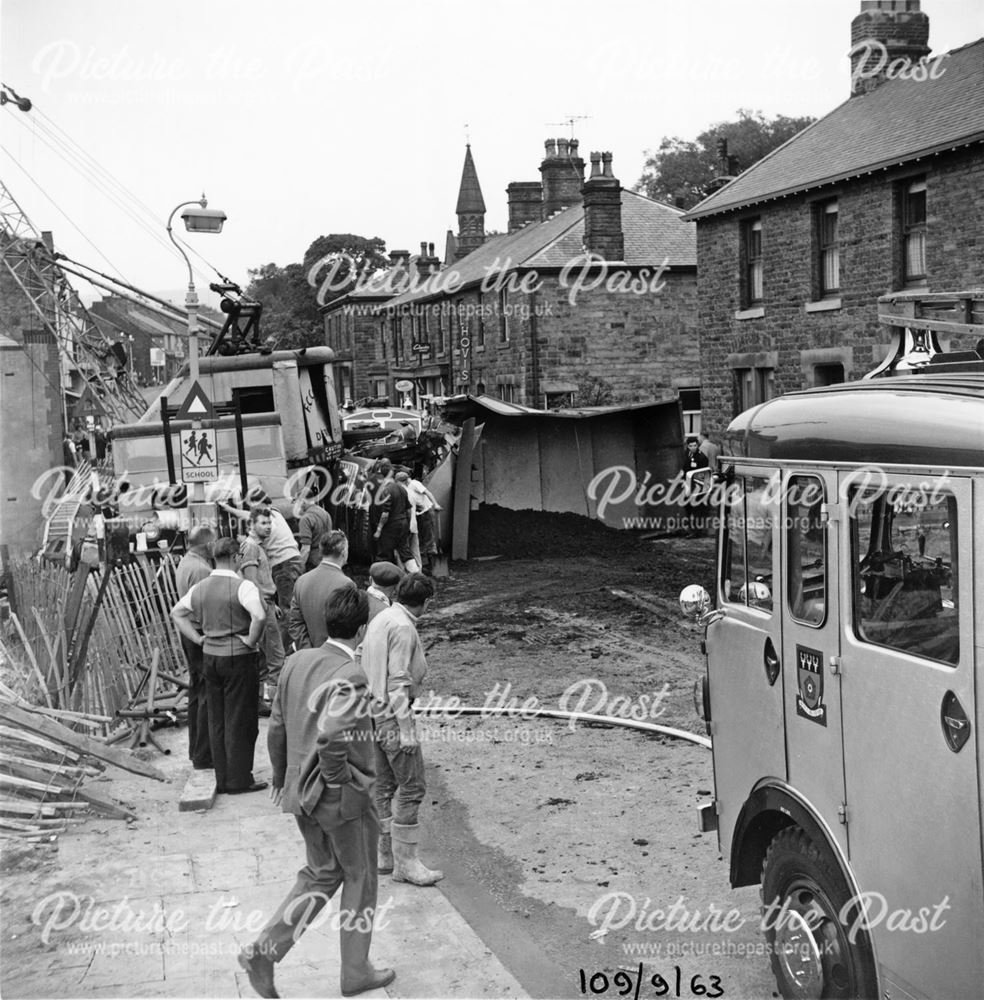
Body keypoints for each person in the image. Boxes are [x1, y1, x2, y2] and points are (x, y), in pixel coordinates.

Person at [239, 588, 395, 1000]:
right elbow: (330, 737)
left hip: (300, 794)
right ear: (361, 630)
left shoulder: (294, 662)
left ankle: (265, 950)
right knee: (360, 879)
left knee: (322, 874)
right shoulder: (352, 674)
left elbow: (276, 726)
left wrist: (280, 776)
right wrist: (343, 783)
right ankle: (356, 972)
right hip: (339, 799)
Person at [362, 572, 441, 885]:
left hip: (371, 710)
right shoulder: (404, 627)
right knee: (411, 786)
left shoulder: (381, 617)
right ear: (424, 603)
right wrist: (406, 730)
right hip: (393, 715)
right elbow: (398, 682)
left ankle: (385, 855)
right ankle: (406, 864)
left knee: (383, 785)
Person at [171, 537, 267, 794]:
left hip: (210, 657)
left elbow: (177, 613)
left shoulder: (201, 587)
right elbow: (259, 615)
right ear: (236, 557)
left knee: (217, 717)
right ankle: (239, 779)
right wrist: (251, 639)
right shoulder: (243, 587)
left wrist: (198, 638)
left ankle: (222, 776)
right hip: (238, 658)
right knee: (240, 718)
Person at [174, 525, 215, 770]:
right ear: (207, 545)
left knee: (196, 689)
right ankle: (203, 754)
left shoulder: (186, 562)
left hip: (188, 631)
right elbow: (207, 606)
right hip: (199, 633)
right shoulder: (201, 570)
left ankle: (195, 750)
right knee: (206, 693)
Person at [238, 506, 286, 706]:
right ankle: (278, 706)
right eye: (263, 523)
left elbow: (261, 581)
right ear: (251, 525)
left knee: (267, 656)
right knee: (276, 656)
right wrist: (264, 606)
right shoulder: (251, 547)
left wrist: (271, 603)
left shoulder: (258, 547)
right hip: (260, 605)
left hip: (266, 602)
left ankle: (262, 701)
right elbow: (251, 583)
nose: (268, 527)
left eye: (269, 523)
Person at [288, 529, 356, 649]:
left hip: (308, 656)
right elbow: (348, 627)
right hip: (334, 657)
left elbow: (295, 623)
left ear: (321, 551)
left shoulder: (301, 581)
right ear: (344, 552)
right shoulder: (347, 584)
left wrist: (308, 650)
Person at [371, 460, 418, 573]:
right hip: (403, 524)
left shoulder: (386, 490)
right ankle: (417, 576)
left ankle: (379, 581)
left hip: (391, 527)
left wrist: (379, 530)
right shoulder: (401, 489)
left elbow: (385, 514)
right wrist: (406, 524)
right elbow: (408, 510)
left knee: (383, 554)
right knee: (405, 552)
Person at [296, 493, 333, 571]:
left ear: (303, 501)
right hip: (326, 560)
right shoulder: (326, 514)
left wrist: (298, 570)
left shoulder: (305, 519)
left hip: (312, 563)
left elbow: (305, 550)